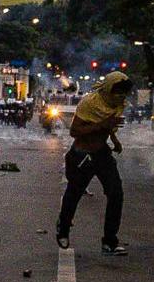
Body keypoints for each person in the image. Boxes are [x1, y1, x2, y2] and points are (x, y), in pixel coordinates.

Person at [56, 71, 132, 255]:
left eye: (123, 92)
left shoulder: (119, 104)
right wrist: (102, 125)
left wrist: (114, 139)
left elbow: (109, 125)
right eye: (117, 91)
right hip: (82, 155)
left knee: (116, 194)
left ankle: (109, 241)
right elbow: (75, 130)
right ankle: (63, 228)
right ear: (107, 89)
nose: (120, 96)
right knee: (74, 194)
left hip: (102, 154)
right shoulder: (90, 103)